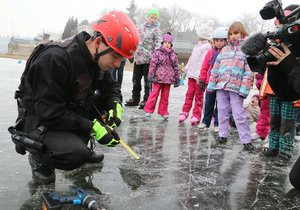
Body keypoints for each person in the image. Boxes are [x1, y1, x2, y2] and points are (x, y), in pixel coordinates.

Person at [8, 11, 139, 184]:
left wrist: (115, 104)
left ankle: (80, 144)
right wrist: (93, 127)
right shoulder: (56, 59)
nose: (117, 64)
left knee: (99, 102)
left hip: (67, 108)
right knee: (74, 154)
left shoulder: (95, 59)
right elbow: (49, 112)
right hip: (40, 118)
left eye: (121, 60)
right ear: (98, 42)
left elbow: (111, 87)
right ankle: (40, 157)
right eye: (115, 56)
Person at [263, 4, 300, 185]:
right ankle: (273, 146)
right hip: (274, 91)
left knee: (287, 124)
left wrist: (291, 65)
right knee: (275, 121)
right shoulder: (277, 43)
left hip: (291, 94)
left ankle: (286, 151)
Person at [206, 21, 254, 151]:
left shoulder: (246, 51)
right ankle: (222, 134)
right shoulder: (224, 50)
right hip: (221, 86)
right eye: (231, 33)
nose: (233, 36)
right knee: (221, 111)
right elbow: (215, 68)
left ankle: (246, 139)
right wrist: (211, 84)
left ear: (242, 33)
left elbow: (249, 71)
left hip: (236, 87)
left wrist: (244, 89)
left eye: (236, 33)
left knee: (239, 114)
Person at [178, 21, 214, 125]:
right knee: (189, 94)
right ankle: (185, 111)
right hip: (191, 75)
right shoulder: (197, 46)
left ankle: (196, 115)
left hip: (199, 77)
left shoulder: (207, 47)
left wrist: (200, 75)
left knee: (198, 96)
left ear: (202, 35)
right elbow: (192, 58)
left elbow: (204, 61)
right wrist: (186, 68)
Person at [125, 8, 162, 109]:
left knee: (147, 81)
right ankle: (135, 98)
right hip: (138, 58)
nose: (153, 19)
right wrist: (132, 52)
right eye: (151, 17)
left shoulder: (157, 30)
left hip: (149, 60)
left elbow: (158, 43)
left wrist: (155, 55)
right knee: (136, 80)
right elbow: (135, 39)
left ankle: (146, 100)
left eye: (155, 18)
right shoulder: (141, 27)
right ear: (148, 17)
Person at [143, 32, 180, 119]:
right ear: (162, 43)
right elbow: (153, 64)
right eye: (165, 42)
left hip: (168, 79)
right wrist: (151, 75)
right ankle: (148, 109)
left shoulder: (174, 55)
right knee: (154, 94)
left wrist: (177, 79)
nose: (167, 44)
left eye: (169, 43)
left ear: (171, 44)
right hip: (158, 78)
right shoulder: (157, 53)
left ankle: (163, 111)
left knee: (165, 96)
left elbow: (176, 67)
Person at [198, 26, 228, 132]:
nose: (219, 43)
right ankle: (205, 122)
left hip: (222, 83)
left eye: (221, 40)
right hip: (210, 82)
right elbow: (204, 66)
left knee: (220, 104)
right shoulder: (210, 53)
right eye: (217, 41)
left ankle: (217, 123)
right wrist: (202, 79)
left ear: (225, 41)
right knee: (209, 103)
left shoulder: (227, 53)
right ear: (213, 41)